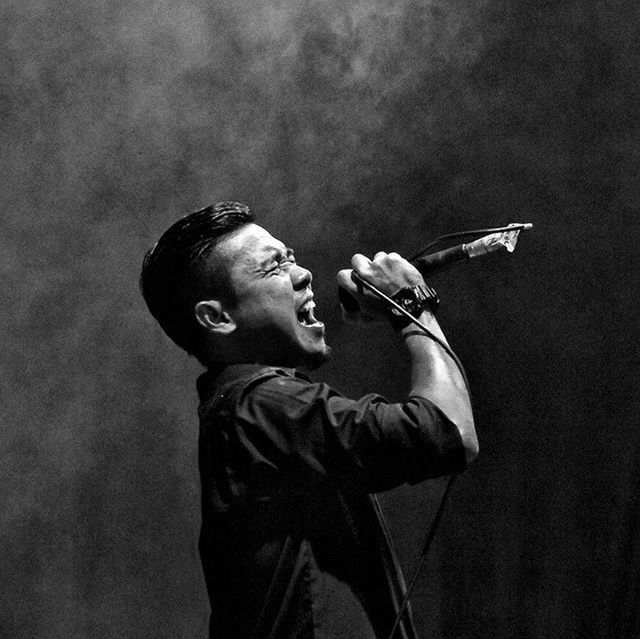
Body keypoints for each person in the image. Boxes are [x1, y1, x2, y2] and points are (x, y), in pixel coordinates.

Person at [140, 201, 478, 639]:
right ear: (217, 317)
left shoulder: (245, 411)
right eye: (273, 268)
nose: (302, 275)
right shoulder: (262, 406)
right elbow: (449, 433)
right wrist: (412, 305)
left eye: (292, 258)